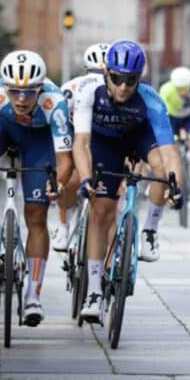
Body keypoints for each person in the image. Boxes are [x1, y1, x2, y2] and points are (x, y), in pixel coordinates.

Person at [0, 50, 74, 326]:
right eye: (15, 92)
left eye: (29, 93)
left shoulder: (54, 103)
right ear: (5, 87)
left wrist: (57, 183)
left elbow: (64, 158)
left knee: (36, 216)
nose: (21, 99)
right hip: (3, 129)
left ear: (40, 88)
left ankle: (33, 296)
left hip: (39, 142)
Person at [73, 40, 184, 321]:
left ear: (140, 78)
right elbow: (82, 143)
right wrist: (86, 178)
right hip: (104, 144)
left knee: (160, 167)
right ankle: (94, 291)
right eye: (117, 78)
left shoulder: (150, 98)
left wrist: (176, 186)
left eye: (131, 80)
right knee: (101, 212)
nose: (123, 86)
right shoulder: (89, 92)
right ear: (106, 72)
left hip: (138, 138)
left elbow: (170, 152)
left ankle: (149, 230)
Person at [50, 42, 109, 252]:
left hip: (102, 138)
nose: (98, 79)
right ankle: (63, 224)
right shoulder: (70, 89)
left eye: (104, 74)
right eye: (94, 73)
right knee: (70, 180)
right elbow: (58, 122)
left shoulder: (118, 91)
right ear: (85, 71)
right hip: (74, 134)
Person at [159, 66, 190, 138]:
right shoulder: (166, 89)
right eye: (179, 89)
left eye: (185, 88)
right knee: (173, 138)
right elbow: (160, 107)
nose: (182, 92)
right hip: (172, 116)